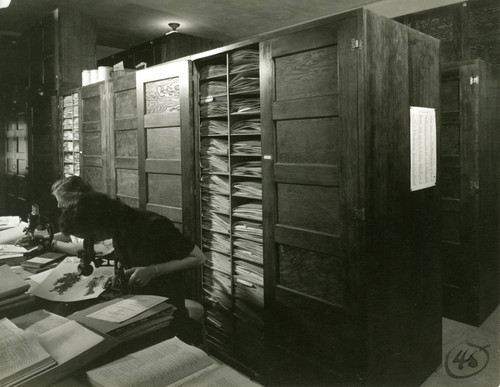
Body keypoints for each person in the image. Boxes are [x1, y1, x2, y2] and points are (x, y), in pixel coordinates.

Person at [59, 191, 206, 341]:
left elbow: (198, 258)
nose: (94, 241)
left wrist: (153, 270)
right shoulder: (118, 226)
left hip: (166, 307)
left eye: (93, 236)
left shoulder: (153, 225)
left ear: (101, 223)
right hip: (137, 303)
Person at [51, 176, 114, 256]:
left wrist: (54, 243)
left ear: (74, 199)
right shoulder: (76, 215)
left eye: (62, 202)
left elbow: (90, 247)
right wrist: (47, 237)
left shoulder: (95, 215)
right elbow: (73, 236)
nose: (58, 206)